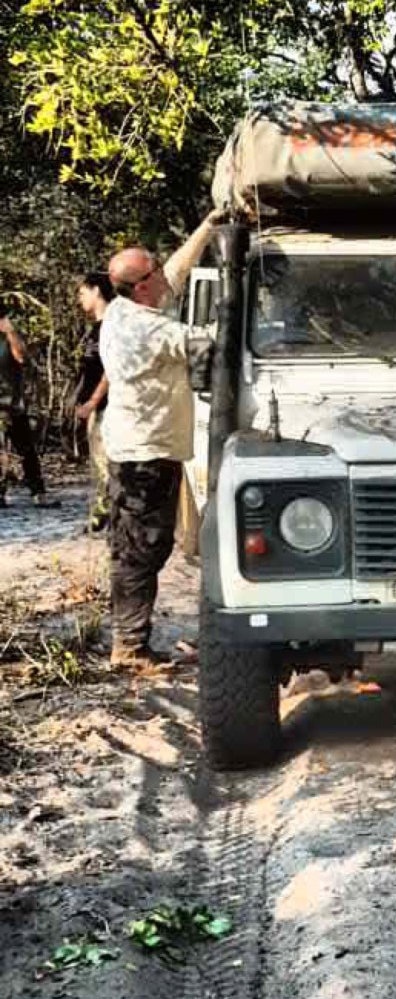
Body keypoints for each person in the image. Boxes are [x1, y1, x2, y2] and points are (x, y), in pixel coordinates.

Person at [101, 213, 221, 669]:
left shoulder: (125, 308)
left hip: (142, 449)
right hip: (144, 455)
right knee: (141, 546)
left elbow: (174, 272)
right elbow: (203, 343)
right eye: (152, 269)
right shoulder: (148, 329)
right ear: (141, 285)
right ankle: (129, 647)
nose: (162, 273)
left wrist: (209, 226)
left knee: (141, 544)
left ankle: (132, 640)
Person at [0, 311, 54, 508]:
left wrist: (10, 331)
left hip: (11, 404)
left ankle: (38, 493)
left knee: (25, 449)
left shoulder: (9, 338)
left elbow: (22, 357)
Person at [75, 270, 114, 533]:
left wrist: (93, 400)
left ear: (97, 290)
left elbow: (112, 369)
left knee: (108, 468)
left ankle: (107, 517)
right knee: (100, 467)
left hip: (108, 408)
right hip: (95, 409)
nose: (79, 299)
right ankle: (101, 515)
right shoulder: (95, 328)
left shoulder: (113, 324)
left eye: (82, 292)